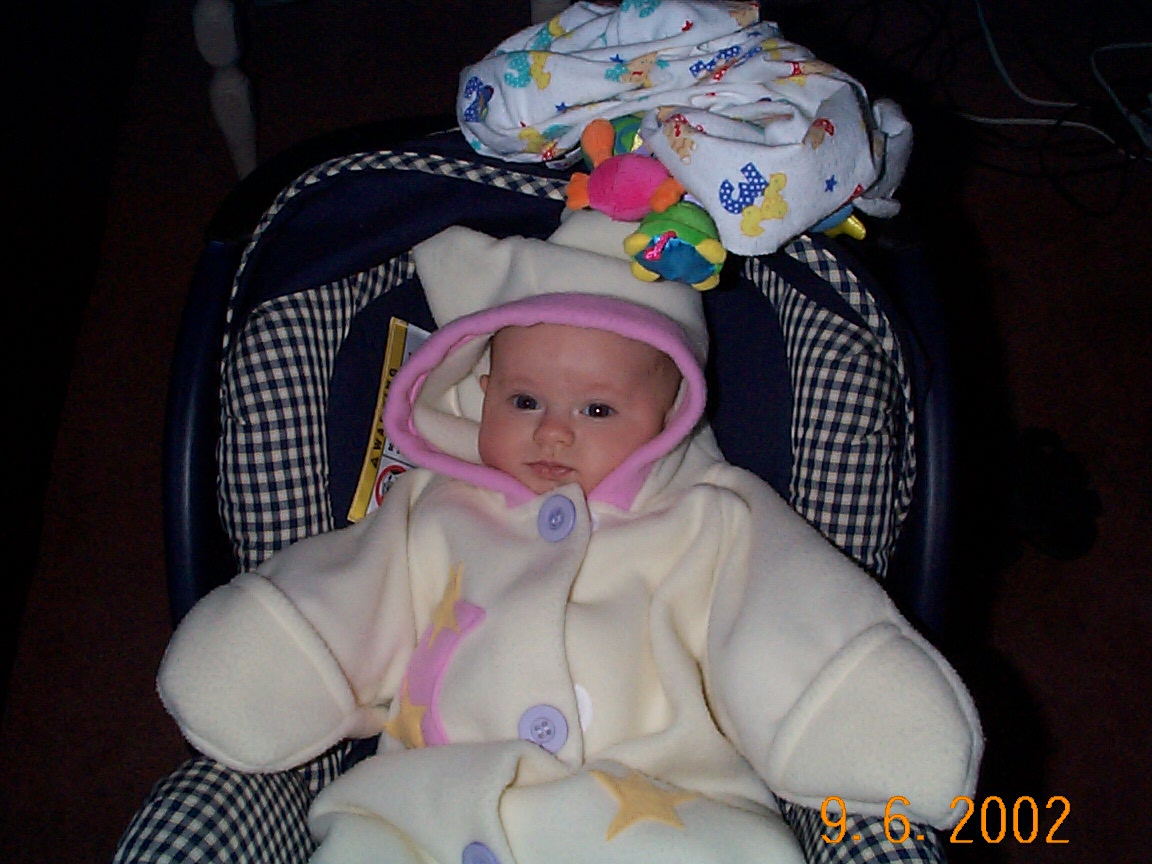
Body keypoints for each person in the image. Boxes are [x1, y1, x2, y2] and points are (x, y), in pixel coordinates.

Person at [157, 210, 982, 864]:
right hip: (425, 811)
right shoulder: (431, 510)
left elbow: (786, 620)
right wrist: (275, 652)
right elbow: (348, 596)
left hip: (660, 816)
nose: (553, 432)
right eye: (524, 402)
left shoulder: (711, 519)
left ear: (669, 416)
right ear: (479, 392)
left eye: (597, 409)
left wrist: (854, 712)